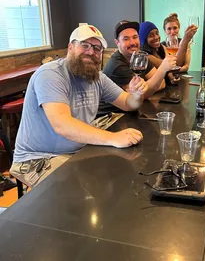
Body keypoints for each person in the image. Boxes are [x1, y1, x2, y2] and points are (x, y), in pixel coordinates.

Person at [10, 24, 147, 188]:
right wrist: (114, 137)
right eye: (85, 45)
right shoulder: (51, 74)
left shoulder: (97, 77)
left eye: (97, 48)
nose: (91, 52)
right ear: (70, 47)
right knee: (79, 193)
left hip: (79, 150)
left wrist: (137, 94)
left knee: (118, 176)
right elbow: (62, 125)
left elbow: (128, 103)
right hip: (40, 158)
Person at [103, 20, 177, 98]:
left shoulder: (140, 56)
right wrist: (162, 69)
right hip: (114, 110)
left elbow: (161, 83)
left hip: (136, 107)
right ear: (117, 42)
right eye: (126, 39)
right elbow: (140, 95)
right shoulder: (117, 65)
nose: (132, 42)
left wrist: (147, 86)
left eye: (135, 37)